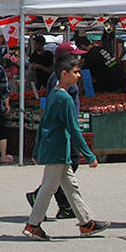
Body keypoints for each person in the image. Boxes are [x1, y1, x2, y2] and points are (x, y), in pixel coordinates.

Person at [22, 53, 110, 240]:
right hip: (58, 149)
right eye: (75, 72)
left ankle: (86, 223)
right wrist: (89, 154)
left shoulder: (54, 93)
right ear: (64, 73)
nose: (78, 76)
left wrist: (37, 149)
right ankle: (33, 224)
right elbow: (73, 128)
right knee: (48, 187)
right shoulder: (65, 99)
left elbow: (43, 123)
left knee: (70, 186)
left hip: (54, 148)